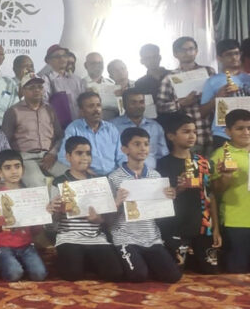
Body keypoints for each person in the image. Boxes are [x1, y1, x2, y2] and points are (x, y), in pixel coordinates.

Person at [107, 127, 182, 283]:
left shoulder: (155, 176)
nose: (143, 148)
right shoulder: (114, 177)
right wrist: (117, 202)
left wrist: (169, 198)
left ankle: (146, 262)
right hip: (125, 237)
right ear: (125, 149)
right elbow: (107, 218)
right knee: (138, 276)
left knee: (173, 276)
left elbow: (160, 213)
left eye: (146, 144)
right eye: (137, 144)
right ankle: (135, 262)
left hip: (151, 237)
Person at [51, 136, 124, 282]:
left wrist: (99, 219)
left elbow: (107, 220)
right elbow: (53, 223)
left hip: (96, 237)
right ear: (68, 156)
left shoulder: (99, 182)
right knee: (72, 275)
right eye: (79, 153)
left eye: (88, 153)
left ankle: (85, 260)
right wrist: (55, 211)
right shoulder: (59, 182)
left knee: (115, 274)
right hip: (69, 237)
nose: (85, 157)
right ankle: (79, 260)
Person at [157, 113, 220, 274]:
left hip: (202, 226)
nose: (192, 136)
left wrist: (215, 228)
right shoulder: (161, 165)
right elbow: (160, 201)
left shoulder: (204, 163)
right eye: (186, 131)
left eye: (194, 131)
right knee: (175, 272)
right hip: (175, 227)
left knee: (211, 271)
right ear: (171, 136)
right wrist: (179, 189)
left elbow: (211, 196)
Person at [0, 150, 49, 282]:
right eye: (8, 168)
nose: (14, 171)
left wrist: (41, 216)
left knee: (40, 274)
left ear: (23, 169)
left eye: (17, 166)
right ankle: (6, 263)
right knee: (14, 274)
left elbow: (36, 230)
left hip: (26, 244)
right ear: (0, 173)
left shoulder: (30, 195)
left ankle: (16, 264)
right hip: (3, 245)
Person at [209, 109, 250, 273]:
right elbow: (214, 191)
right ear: (228, 131)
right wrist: (226, 177)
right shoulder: (220, 155)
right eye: (240, 128)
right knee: (238, 273)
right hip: (236, 221)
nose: (246, 132)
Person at [3, 73, 64, 187]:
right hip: (25, 159)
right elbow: (4, 142)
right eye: (31, 88)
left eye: (40, 87)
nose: (37, 90)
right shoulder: (13, 111)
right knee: (38, 184)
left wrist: (52, 153)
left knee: (70, 177)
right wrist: (16, 162)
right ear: (23, 91)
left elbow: (60, 136)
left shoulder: (49, 109)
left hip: (49, 156)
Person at [156, 37, 215, 154]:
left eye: (191, 49)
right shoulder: (170, 78)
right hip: (187, 140)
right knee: (191, 166)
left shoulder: (209, 71)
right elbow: (160, 107)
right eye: (182, 50)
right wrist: (181, 103)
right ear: (175, 54)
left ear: (196, 51)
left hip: (212, 133)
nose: (187, 53)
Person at [200, 39, 250, 149]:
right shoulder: (212, 81)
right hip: (223, 134)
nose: (234, 57)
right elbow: (202, 112)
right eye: (229, 54)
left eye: (236, 53)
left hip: (249, 134)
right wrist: (217, 97)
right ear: (219, 58)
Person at [59, 92, 124, 176]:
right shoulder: (74, 129)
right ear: (82, 111)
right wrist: (84, 170)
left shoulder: (111, 128)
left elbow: (121, 156)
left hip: (114, 175)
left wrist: (122, 172)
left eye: (98, 105)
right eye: (91, 106)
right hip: (88, 176)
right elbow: (63, 156)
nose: (96, 109)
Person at [111, 88, 169, 170]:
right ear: (124, 104)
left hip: (151, 174)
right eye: (133, 103)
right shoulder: (112, 127)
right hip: (122, 174)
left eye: (141, 102)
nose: (138, 106)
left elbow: (163, 155)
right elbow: (109, 155)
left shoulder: (155, 127)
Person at [38, 44, 86, 123]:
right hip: (59, 125)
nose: (62, 59)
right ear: (49, 61)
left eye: (64, 56)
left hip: (79, 124)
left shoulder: (76, 79)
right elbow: (44, 104)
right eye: (57, 56)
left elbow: (84, 101)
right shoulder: (46, 80)